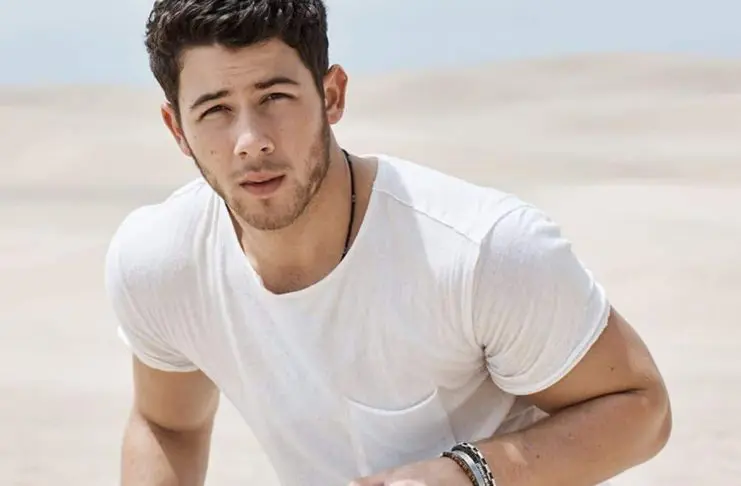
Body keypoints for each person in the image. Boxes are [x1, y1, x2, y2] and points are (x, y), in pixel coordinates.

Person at [104, 1, 672, 485]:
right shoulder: (163, 261)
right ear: (177, 129)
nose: (250, 141)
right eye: (216, 110)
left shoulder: (480, 250)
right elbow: (167, 425)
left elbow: (642, 410)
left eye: (274, 97)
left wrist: (468, 473)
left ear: (331, 95)